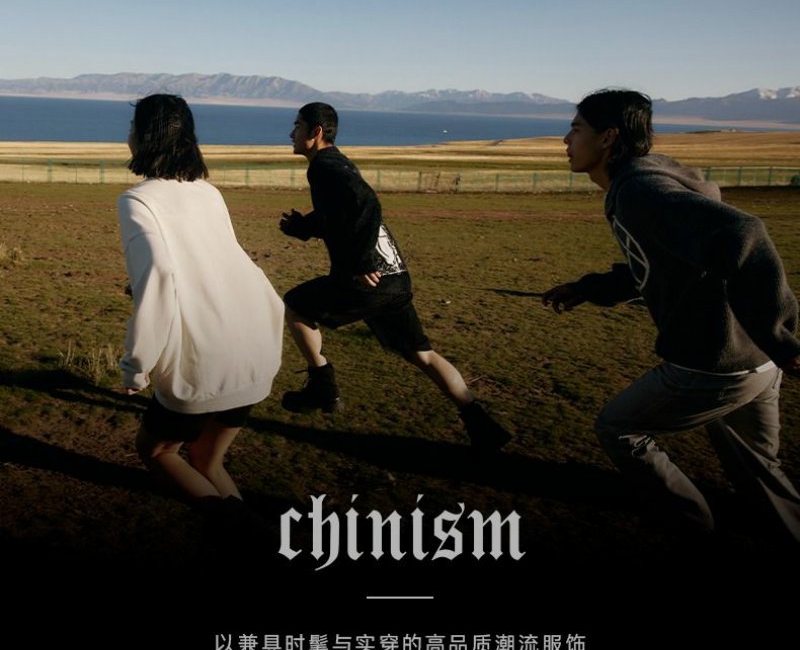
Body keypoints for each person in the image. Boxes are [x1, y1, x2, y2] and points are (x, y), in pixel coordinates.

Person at [543, 88, 800, 539]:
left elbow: (745, 232)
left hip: (714, 365)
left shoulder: (640, 191)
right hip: (756, 361)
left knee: (618, 428)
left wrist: (782, 335)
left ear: (608, 138)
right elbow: (660, 264)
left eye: (576, 129)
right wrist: (587, 289)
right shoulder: (648, 179)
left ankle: (689, 526)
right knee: (758, 469)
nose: (566, 140)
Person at [278, 102, 511, 453]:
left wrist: (361, 262)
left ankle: (322, 386)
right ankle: (481, 422)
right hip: (395, 279)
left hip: (367, 280)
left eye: (297, 126)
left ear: (316, 132)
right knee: (423, 355)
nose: (291, 133)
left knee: (296, 305)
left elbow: (366, 204)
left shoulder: (325, 166)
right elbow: (339, 214)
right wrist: (304, 226)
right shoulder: (338, 163)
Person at [119, 93, 284, 513]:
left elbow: (158, 280)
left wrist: (136, 365)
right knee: (208, 459)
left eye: (133, 127)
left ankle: (239, 536)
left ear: (144, 136)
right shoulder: (208, 192)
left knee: (158, 451)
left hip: (205, 359)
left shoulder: (138, 200)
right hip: (256, 345)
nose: (128, 135)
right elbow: (210, 265)